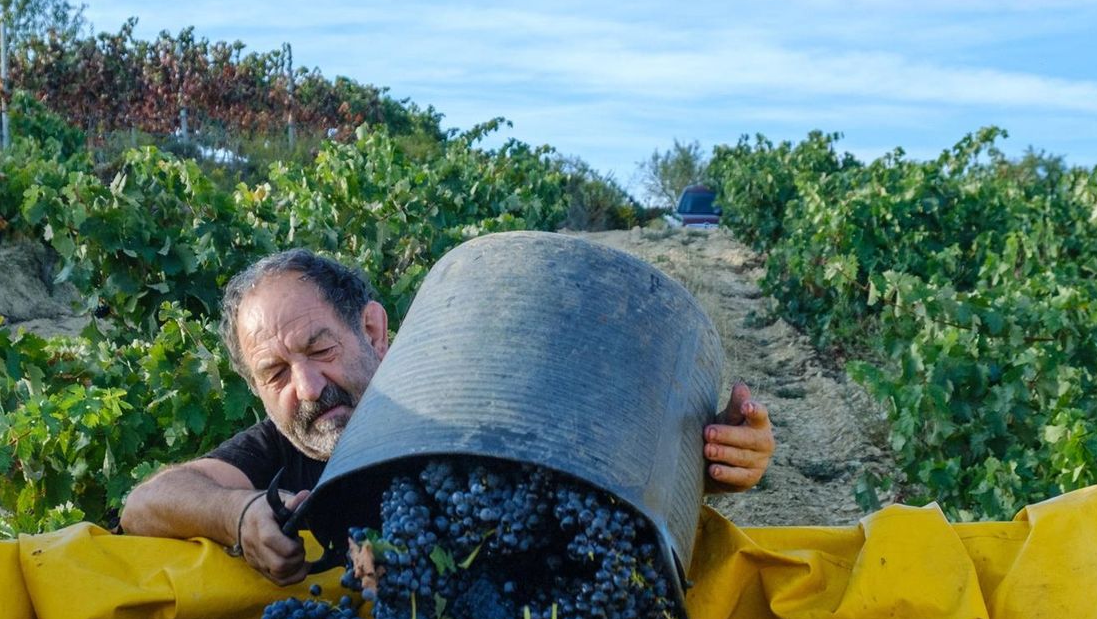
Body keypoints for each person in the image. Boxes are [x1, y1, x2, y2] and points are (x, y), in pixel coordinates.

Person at [120, 248, 776, 585]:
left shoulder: (460, 399)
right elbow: (146, 504)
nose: (309, 385)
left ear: (374, 330)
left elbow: (580, 462)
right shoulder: (276, 448)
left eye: (321, 349)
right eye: (276, 373)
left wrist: (702, 456)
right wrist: (234, 514)